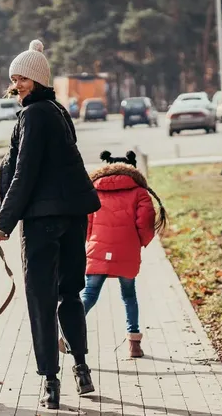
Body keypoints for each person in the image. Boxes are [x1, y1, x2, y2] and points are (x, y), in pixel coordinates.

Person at [0, 39, 101, 410]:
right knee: (70, 294)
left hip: (43, 222)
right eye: (15, 79)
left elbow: (25, 171)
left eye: (23, 79)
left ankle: (50, 382)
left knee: (41, 301)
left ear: (39, 79)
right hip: (73, 215)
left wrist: (6, 221)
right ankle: (81, 368)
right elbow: (43, 170)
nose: (17, 85)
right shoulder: (58, 111)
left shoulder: (32, 115)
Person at [67, 149, 167, 358]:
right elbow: (146, 222)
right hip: (127, 249)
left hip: (98, 248)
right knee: (129, 295)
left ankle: (68, 331)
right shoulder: (139, 192)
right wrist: (139, 242)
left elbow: (86, 222)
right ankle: (134, 345)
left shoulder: (94, 190)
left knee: (89, 294)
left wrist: (91, 241)